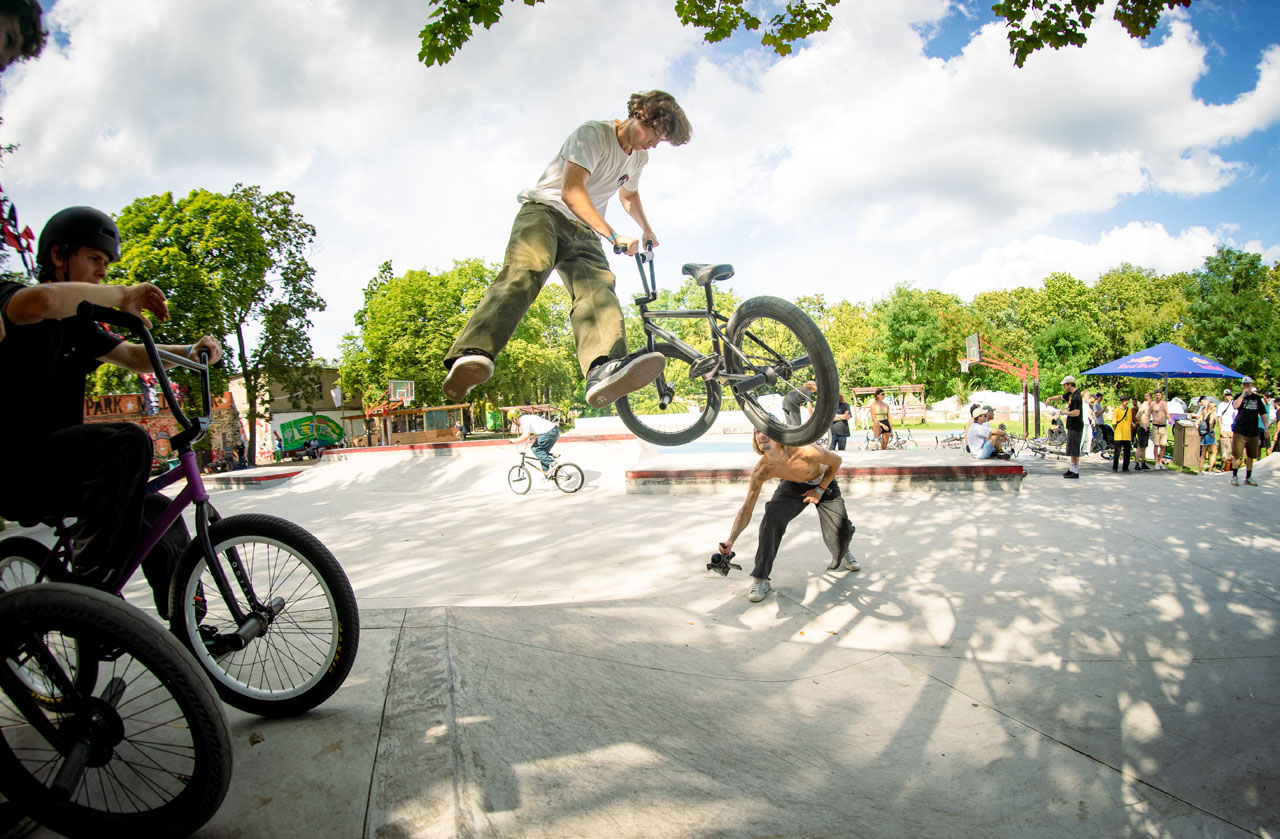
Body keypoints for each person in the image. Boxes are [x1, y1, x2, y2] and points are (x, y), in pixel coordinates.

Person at [0, 207, 223, 594]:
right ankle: (90, 599)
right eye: (94, 259)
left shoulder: (78, 327)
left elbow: (135, 357)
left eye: (106, 263)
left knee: (156, 510)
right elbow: (45, 301)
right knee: (127, 440)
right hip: (18, 467)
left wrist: (191, 351)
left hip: (64, 467)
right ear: (58, 256)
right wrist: (121, 296)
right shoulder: (14, 298)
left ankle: (189, 623)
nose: (103, 270)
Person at [442, 91, 692, 410]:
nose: (655, 143)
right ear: (640, 114)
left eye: (663, 139)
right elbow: (572, 192)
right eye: (655, 133)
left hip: (584, 231)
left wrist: (646, 227)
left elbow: (629, 195)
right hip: (546, 213)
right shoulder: (593, 134)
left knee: (599, 290)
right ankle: (472, 354)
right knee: (527, 271)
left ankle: (603, 368)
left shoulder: (639, 158)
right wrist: (613, 234)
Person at [718, 430, 858, 603]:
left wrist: (820, 490)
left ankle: (844, 550)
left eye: (767, 430)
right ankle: (761, 578)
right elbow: (747, 508)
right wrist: (731, 540)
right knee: (772, 515)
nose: (761, 434)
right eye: (757, 432)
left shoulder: (805, 450)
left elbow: (836, 461)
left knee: (840, 528)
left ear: (778, 434)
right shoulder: (763, 469)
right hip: (792, 485)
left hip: (823, 481)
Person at [1229, 377, 1265, 486]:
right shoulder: (1238, 396)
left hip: (1253, 431)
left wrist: (1266, 427)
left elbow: (1263, 413)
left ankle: (1248, 477)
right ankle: (1234, 476)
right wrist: (1243, 395)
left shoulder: (1257, 398)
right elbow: (1235, 406)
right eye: (1244, 384)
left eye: (1248, 384)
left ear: (1251, 385)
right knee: (1237, 455)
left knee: (1251, 455)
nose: (1246, 386)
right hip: (1240, 431)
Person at [1046, 375, 1084, 478]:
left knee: (1074, 449)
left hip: (1076, 426)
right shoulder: (1071, 394)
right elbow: (1060, 397)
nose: (1064, 387)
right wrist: (1050, 398)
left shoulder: (1076, 396)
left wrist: (1064, 412)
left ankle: (1075, 471)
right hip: (1071, 426)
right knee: (1071, 448)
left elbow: (1076, 412)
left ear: (1069, 384)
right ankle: (1072, 468)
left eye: (1065, 385)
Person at [511, 411, 560, 475]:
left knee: (535, 449)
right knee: (542, 454)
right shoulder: (528, 417)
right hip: (554, 431)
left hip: (549, 432)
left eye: (512, 421)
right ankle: (547, 473)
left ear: (514, 418)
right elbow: (539, 427)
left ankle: (552, 463)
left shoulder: (524, 420)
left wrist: (515, 440)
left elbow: (526, 435)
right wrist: (532, 437)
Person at [1111, 395, 1133, 472]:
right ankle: (1115, 467)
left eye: (1127, 400)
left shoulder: (1129, 410)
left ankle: (1125, 467)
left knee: (1127, 452)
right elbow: (1114, 423)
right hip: (1119, 434)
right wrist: (1116, 430)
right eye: (1125, 400)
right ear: (1121, 401)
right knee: (1117, 452)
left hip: (1127, 434)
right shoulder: (1117, 410)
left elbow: (1130, 421)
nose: (1126, 402)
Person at [1195, 397, 1217, 474]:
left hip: (1204, 433)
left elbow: (1200, 420)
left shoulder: (1205, 413)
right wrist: (1211, 431)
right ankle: (1210, 470)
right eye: (1215, 406)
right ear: (1212, 407)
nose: (1215, 407)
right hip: (1209, 433)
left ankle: (1200, 469)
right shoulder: (1212, 414)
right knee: (1214, 452)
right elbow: (1211, 422)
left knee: (1204, 452)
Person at [1216, 388, 1235, 473]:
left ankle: (1232, 468)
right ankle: (1224, 467)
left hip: (1233, 429)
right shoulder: (1221, 405)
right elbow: (1219, 418)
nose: (1229, 396)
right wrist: (1221, 430)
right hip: (1224, 429)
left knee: (1233, 452)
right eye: (1227, 395)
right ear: (1224, 395)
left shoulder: (1234, 404)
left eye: (1230, 395)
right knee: (1224, 452)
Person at [1149, 390, 1169, 469]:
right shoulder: (1153, 404)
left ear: (1161, 396)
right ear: (1155, 396)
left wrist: (1170, 419)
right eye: (1156, 395)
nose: (1158, 396)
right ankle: (1156, 462)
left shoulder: (1164, 404)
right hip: (1155, 426)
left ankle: (1160, 461)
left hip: (1163, 426)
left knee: (1163, 445)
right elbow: (1148, 414)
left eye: (1159, 395)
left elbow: (1167, 413)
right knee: (1156, 445)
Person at [1133, 391, 1151, 471]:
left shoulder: (1147, 406)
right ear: (1149, 399)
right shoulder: (1144, 406)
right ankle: (1137, 463)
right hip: (1142, 427)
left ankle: (1143, 462)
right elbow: (1137, 416)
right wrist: (1142, 424)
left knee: (1144, 446)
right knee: (1140, 446)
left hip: (1146, 427)